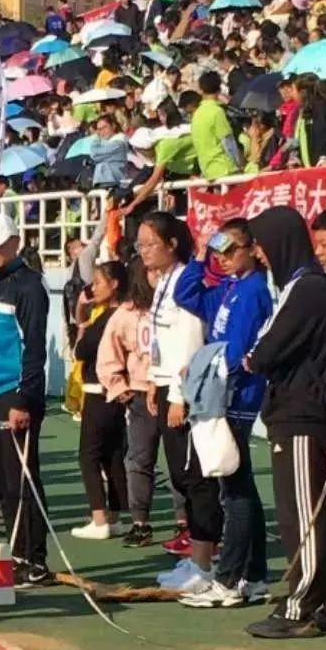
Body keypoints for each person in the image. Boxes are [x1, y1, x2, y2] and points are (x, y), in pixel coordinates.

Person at [174, 220, 274, 609]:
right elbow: (187, 294)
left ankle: (230, 578)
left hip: (236, 399)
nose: (224, 258)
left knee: (234, 491)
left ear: (252, 248)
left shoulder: (252, 291)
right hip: (222, 397)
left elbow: (236, 353)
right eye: (221, 251)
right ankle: (254, 575)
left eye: (232, 250)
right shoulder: (230, 287)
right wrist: (201, 256)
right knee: (239, 487)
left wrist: (201, 365)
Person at [244, 207, 326, 639]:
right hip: (299, 411)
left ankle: (300, 606)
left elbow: (263, 352)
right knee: (311, 512)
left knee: (302, 517)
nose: (258, 253)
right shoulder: (300, 286)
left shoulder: (308, 289)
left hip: (302, 415)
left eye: (260, 244)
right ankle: (320, 604)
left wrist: (252, 358)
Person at [138, 213, 222, 594]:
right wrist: (154, 383)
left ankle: (205, 565)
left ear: (172, 243)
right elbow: (162, 344)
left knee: (195, 479)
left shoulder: (185, 280)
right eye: (140, 245)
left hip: (184, 394)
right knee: (180, 477)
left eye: (150, 244)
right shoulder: (162, 282)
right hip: (165, 385)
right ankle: (193, 557)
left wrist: (177, 395)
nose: (143, 252)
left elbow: (188, 341)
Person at [0, 213, 51, 586]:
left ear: (15, 243)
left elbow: (34, 349)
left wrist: (23, 399)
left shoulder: (30, 287)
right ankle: (16, 552)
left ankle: (34, 560)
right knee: (0, 479)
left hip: (15, 394)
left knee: (22, 479)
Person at [96, 256, 157, 547]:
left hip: (174, 393)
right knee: (138, 460)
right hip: (140, 393)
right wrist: (118, 386)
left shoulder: (176, 305)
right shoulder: (127, 312)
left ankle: (187, 524)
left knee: (183, 465)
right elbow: (108, 353)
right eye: (148, 273)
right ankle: (140, 522)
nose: (154, 277)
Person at [71, 262, 129, 539]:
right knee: (113, 454)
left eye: (97, 282)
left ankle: (98, 518)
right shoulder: (126, 312)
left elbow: (81, 349)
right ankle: (117, 515)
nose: (92, 288)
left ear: (114, 283)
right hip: (119, 392)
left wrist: (82, 324)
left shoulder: (108, 317)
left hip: (99, 389)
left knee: (89, 455)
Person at [191, 72, 242, 180]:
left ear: (201, 90)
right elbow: (228, 142)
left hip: (208, 170)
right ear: (219, 90)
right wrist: (239, 164)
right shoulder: (217, 112)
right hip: (225, 168)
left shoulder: (196, 114)